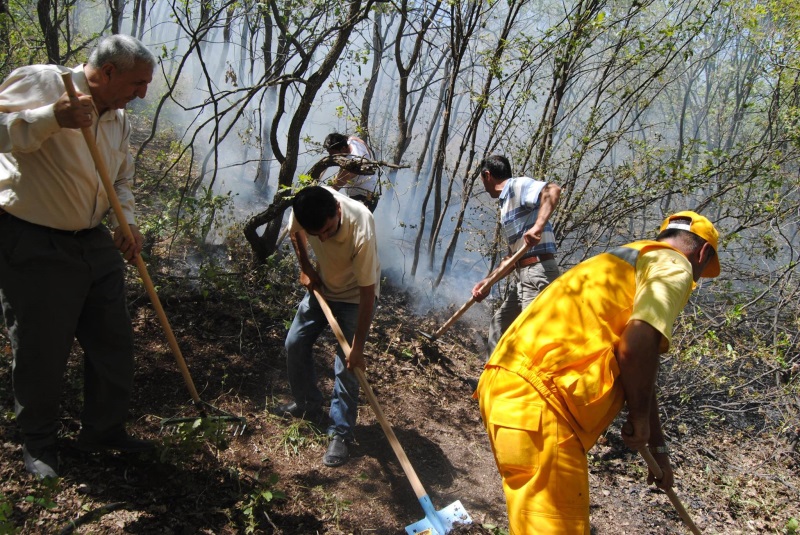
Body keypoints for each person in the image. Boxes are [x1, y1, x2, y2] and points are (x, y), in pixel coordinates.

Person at [476, 211, 721, 534]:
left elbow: (641, 366)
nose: (696, 279)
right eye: (701, 272)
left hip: (507, 388)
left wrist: (657, 446)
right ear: (702, 255)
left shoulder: (619, 262)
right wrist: (639, 420)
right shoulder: (673, 266)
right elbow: (634, 349)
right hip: (542, 406)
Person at [0, 35, 157, 479]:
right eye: (137, 82)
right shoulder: (46, 84)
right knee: (41, 349)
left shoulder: (118, 120)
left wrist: (126, 223)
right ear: (107, 73)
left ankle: (103, 431)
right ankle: (39, 442)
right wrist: (52, 118)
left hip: (94, 242)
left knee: (113, 342)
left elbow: (121, 179)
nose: (143, 93)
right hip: (35, 240)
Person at [272, 185, 380, 467]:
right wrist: (306, 266)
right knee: (294, 343)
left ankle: (340, 433)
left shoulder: (361, 225)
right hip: (321, 288)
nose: (323, 238)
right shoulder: (305, 206)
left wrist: (357, 349)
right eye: (317, 234)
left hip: (355, 298)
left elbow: (368, 293)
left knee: (346, 366)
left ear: (337, 209)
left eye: (329, 231)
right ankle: (307, 403)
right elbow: (296, 232)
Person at [471, 154, 562, 358]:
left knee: (529, 337)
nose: (484, 187)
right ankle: (491, 384)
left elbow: (552, 190)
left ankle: (523, 388)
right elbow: (512, 258)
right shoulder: (506, 205)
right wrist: (487, 282)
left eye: (482, 180)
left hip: (539, 273)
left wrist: (538, 227)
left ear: (487, 175)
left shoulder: (516, 187)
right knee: (499, 325)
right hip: (523, 275)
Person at [323, 132, 380, 212]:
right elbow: (365, 147)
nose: (331, 156)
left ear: (343, 148)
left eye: (333, 153)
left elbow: (334, 188)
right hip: (369, 187)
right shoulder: (354, 141)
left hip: (364, 197)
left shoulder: (351, 165)